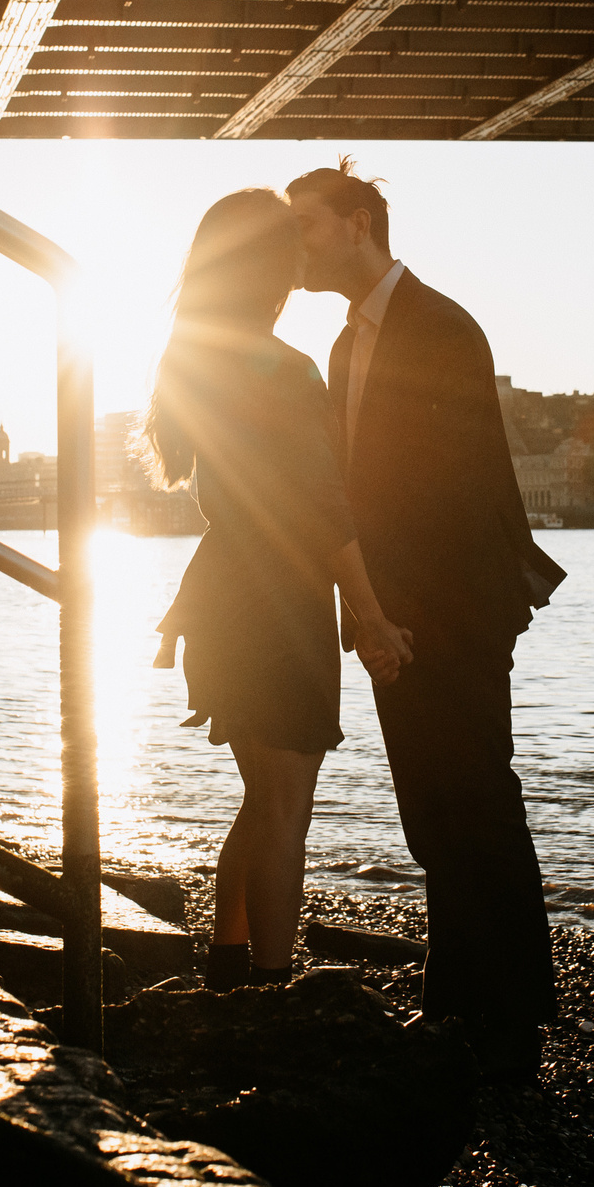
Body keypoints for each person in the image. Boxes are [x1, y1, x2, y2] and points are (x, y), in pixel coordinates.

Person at [286, 159, 566, 1077]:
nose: (297, 246)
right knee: (430, 813)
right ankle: (454, 1001)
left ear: (358, 223)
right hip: (391, 619)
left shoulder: (443, 326)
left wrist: (416, 619)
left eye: (308, 226)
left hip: (455, 612)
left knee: (480, 797)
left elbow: (457, 490)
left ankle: (515, 1022)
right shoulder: (341, 348)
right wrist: (370, 617)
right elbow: (354, 495)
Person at [147, 189, 413, 993]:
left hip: (222, 599)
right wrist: (373, 617)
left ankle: (229, 968)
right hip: (279, 604)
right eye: (289, 232)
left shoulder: (190, 357)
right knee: (286, 810)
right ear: (266, 259)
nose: (304, 243)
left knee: (260, 798)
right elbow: (324, 511)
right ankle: (268, 989)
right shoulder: (285, 367)